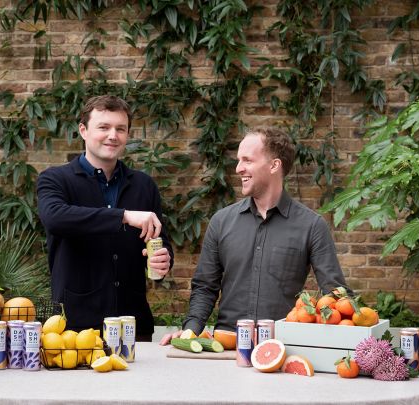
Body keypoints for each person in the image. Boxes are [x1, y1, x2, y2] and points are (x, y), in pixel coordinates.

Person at [160, 126, 348, 344]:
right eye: (239, 160)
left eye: (247, 160)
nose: (239, 168)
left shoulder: (312, 226)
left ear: (274, 165)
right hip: (228, 346)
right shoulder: (221, 222)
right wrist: (190, 332)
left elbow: (336, 296)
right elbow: (205, 287)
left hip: (282, 348)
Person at [37, 95, 173, 341]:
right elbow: (55, 217)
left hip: (133, 324)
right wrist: (123, 216)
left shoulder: (144, 185)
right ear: (83, 130)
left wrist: (163, 260)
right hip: (75, 326)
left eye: (120, 129)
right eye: (104, 127)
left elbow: (159, 240)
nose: (113, 135)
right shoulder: (55, 179)